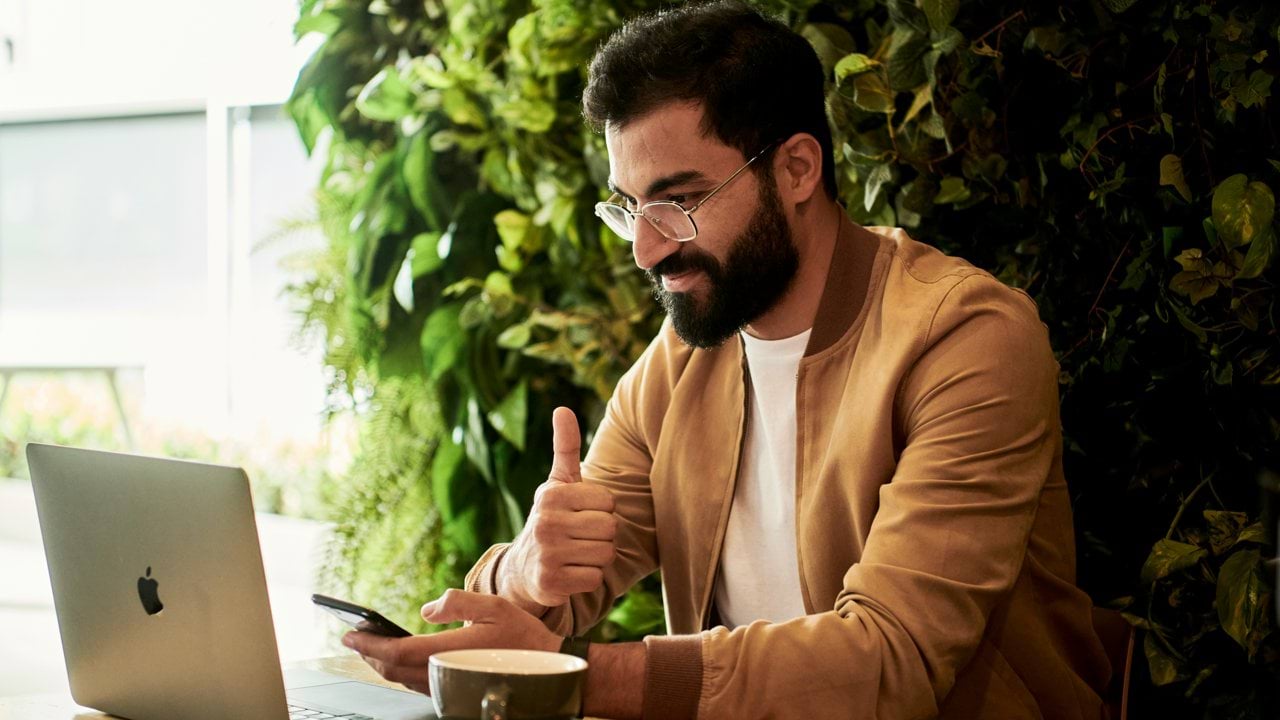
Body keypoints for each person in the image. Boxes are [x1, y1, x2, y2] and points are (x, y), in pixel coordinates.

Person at [342, 2, 1113, 718]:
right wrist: (531, 571)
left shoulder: (964, 338)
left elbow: (891, 659)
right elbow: (546, 599)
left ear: (798, 169)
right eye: (629, 206)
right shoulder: (681, 362)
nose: (648, 247)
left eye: (680, 201)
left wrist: (579, 677)